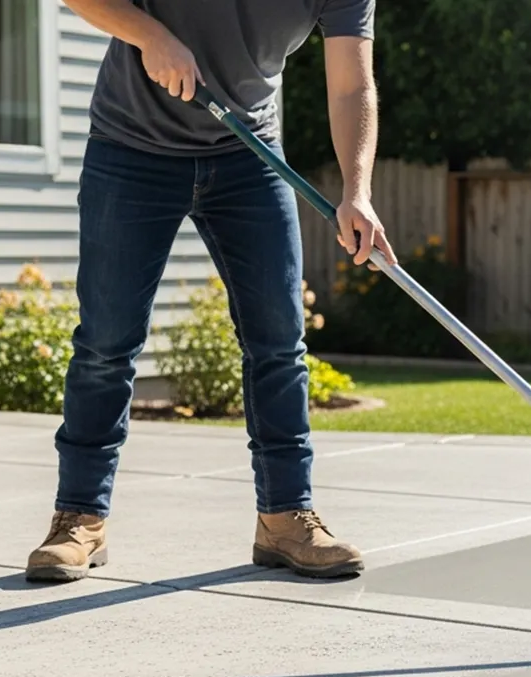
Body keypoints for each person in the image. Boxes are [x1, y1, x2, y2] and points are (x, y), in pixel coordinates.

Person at [26, 0, 394, 583]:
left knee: (279, 341)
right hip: (132, 150)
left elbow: (353, 85)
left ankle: (284, 515)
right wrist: (150, 35)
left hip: (248, 152)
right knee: (106, 342)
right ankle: (79, 518)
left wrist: (358, 190)